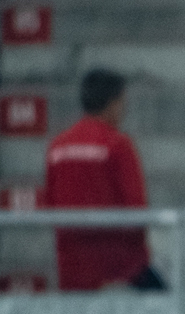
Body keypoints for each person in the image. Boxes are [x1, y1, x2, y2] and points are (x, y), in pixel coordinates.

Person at [42, 69, 164, 292]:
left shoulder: (57, 147)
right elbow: (137, 209)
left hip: (73, 272)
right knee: (170, 307)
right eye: (123, 103)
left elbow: (49, 203)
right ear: (113, 103)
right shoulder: (118, 145)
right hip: (121, 271)